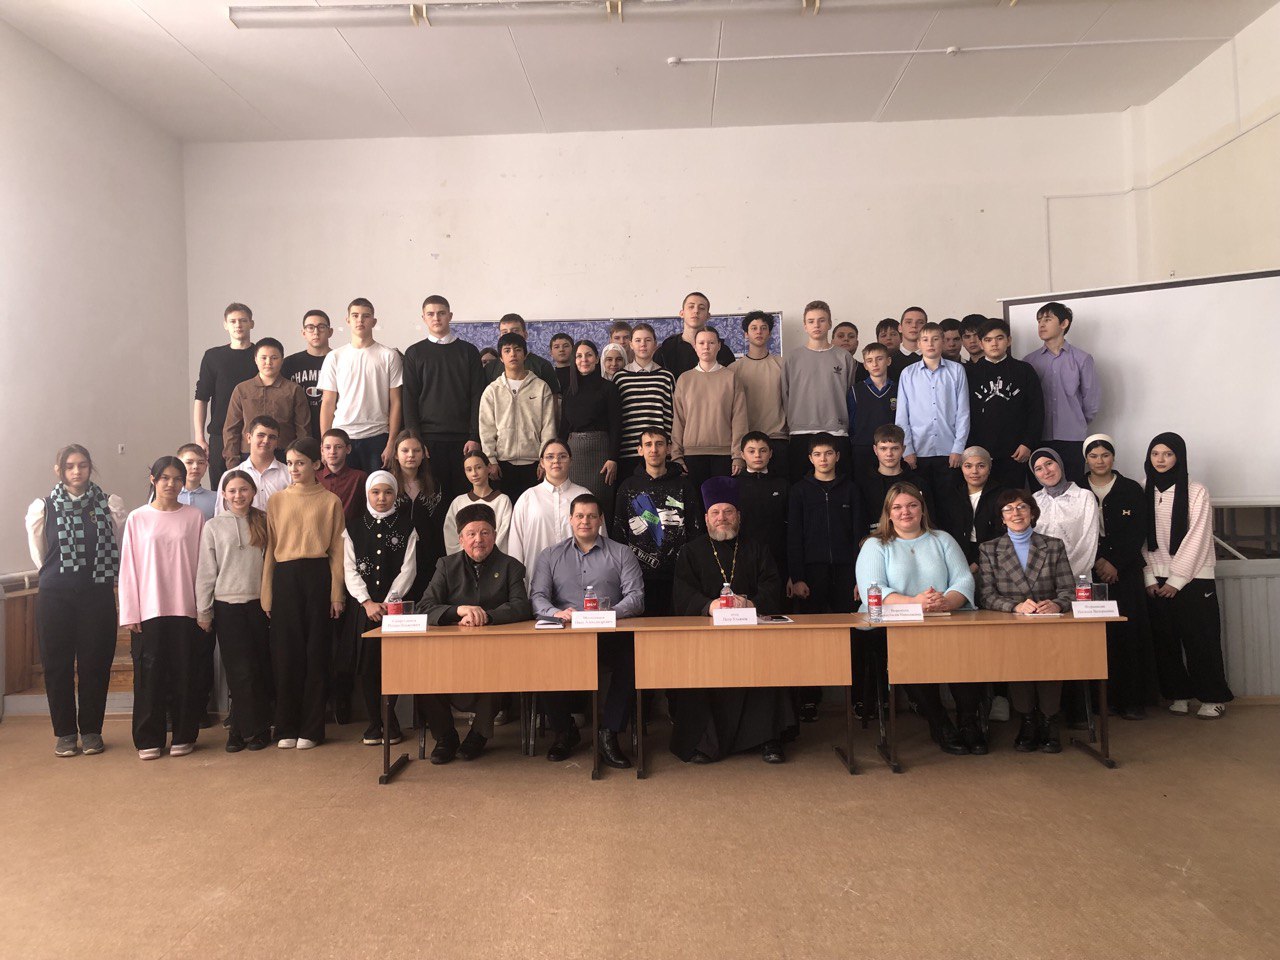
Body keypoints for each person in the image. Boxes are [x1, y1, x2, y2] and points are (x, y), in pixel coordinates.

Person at [670, 478, 794, 763]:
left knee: (770, 664)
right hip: (707, 639)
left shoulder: (757, 548)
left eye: (728, 511)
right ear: (706, 518)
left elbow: (772, 585)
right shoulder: (691, 551)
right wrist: (709, 605)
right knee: (698, 671)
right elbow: (682, 592)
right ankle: (705, 743)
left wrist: (750, 603)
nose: (722, 518)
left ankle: (768, 738)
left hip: (753, 635)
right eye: (715, 512)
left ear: (738, 515)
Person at [854, 482, 978, 755]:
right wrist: (915, 603)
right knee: (910, 654)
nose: (905, 512)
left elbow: (963, 580)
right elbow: (872, 589)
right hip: (896, 625)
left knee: (966, 654)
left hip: (944, 618)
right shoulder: (875, 545)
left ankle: (969, 722)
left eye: (912, 505)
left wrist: (946, 601)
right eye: (897, 507)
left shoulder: (942, 539)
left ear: (922, 509)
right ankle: (939, 723)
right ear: (888, 513)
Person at [24, 444, 126, 757]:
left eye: (82, 465)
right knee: (57, 664)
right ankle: (65, 733)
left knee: (96, 662)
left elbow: (118, 545)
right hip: (56, 594)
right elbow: (41, 555)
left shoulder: (110, 504)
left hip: (97, 593)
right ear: (59, 470)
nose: (77, 471)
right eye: (70, 466)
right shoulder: (43, 507)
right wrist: (63, 574)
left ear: (90, 467)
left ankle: (92, 731)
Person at [532, 493, 645, 767]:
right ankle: (564, 731)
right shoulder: (550, 555)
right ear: (570, 520)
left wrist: (608, 614)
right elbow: (538, 597)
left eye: (592, 516)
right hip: (566, 633)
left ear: (600, 520)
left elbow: (636, 597)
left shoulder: (622, 553)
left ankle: (609, 733)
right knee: (538, 662)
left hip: (609, 632)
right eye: (580, 516)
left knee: (633, 660)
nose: (585, 521)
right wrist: (556, 613)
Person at [415, 503, 533, 763]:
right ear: (461, 539)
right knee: (421, 672)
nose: (478, 539)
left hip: (494, 652)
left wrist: (487, 616)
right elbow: (424, 607)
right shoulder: (446, 565)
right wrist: (458, 610)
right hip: (450, 652)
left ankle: (478, 735)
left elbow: (522, 607)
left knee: (500, 670)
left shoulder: (511, 566)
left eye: (485, 532)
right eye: (471, 534)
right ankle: (445, 737)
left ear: (495, 534)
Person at [118, 456, 205, 760]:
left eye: (177, 478)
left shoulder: (194, 517)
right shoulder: (137, 518)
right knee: (149, 675)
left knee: (185, 673)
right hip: (149, 610)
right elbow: (128, 568)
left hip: (186, 608)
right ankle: (148, 738)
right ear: (153, 480)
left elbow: (202, 566)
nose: (171, 484)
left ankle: (184, 734)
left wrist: (203, 608)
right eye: (165, 478)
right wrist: (130, 611)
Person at [261, 438, 346, 749]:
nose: (294, 468)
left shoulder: (330, 501)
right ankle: (286, 726)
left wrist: (337, 593)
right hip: (285, 577)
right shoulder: (276, 501)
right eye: (290, 463)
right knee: (286, 654)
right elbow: (271, 549)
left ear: (316, 464)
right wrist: (266, 592)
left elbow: (337, 550)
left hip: (317, 575)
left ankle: (311, 729)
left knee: (316, 653)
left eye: (300, 462)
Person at [977, 488, 1077, 753]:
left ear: (1033, 512)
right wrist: (1016, 607)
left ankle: (1049, 720)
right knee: (1018, 667)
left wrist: (1056, 604)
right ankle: (1028, 720)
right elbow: (986, 596)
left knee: (1050, 667)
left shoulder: (1053, 546)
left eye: (1022, 507)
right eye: (1008, 509)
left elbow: (1069, 591)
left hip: (1048, 623)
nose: (1016, 513)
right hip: (1012, 624)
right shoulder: (989, 549)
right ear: (1002, 518)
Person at [1142, 432, 1233, 719]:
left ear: (1178, 457)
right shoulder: (1142, 489)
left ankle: (1213, 698)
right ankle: (1178, 694)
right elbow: (1139, 539)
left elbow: (1198, 537)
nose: (1161, 459)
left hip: (1194, 578)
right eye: (1155, 453)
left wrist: (1176, 580)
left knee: (1201, 641)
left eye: (1168, 454)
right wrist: (1149, 577)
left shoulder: (1196, 491)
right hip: (1155, 578)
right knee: (1165, 642)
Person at [195, 470, 272, 752]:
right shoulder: (213, 527)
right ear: (224, 495)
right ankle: (243, 729)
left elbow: (271, 566)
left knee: (258, 668)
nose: (238, 495)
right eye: (232, 491)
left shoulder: (265, 521)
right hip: (227, 606)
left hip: (259, 605)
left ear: (253, 492)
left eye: (244, 490)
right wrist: (204, 611)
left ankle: (253, 729)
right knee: (238, 671)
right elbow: (206, 572)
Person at [788, 433, 864, 723]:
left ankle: (859, 697)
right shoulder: (799, 491)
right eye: (818, 454)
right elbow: (794, 536)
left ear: (837, 456)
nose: (823, 459)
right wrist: (797, 577)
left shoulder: (851, 489)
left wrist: (860, 577)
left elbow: (860, 537)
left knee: (855, 635)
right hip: (812, 573)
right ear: (810, 458)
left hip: (847, 573)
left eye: (828, 453)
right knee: (811, 637)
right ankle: (809, 698)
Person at [341, 471, 418, 748]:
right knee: (368, 667)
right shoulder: (353, 528)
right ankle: (376, 722)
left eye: (387, 492)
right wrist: (366, 602)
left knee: (393, 665)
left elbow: (409, 569)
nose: (382, 498)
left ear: (395, 495)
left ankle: (389, 720)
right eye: (376, 492)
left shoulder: (407, 527)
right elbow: (349, 569)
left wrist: (390, 601)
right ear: (367, 494)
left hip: (394, 608)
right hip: (365, 609)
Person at [1083, 434, 1156, 720]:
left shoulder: (1130, 488)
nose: (1100, 461)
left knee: (1129, 635)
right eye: (1093, 456)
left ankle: (1131, 700)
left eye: (1105, 455)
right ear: (1086, 459)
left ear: (1113, 457)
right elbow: (1076, 532)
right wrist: (1099, 560)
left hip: (1125, 572)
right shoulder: (1077, 489)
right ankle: (1098, 702)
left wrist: (1115, 562)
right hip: (1090, 572)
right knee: (1096, 637)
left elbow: (1139, 529)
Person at [401, 297, 483, 506]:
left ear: (450, 316)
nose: (436, 318)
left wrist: (475, 435)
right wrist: (416, 440)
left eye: (441, 313)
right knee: (433, 500)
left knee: (464, 499)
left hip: (464, 440)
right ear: (423, 318)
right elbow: (409, 398)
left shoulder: (468, 351)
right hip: (428, 441)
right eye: (430, 314)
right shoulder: (414, 353)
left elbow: (477, 396)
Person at [613, 427, 703, 618]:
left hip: (679, 574)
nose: (654, 449)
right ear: (640, 450)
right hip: (638, 575)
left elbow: (695, 530)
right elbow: (619, 531)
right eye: (648, 445)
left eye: (659, 444)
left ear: (668, 448)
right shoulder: (628, 486)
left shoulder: (684, 485)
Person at [318, 297, 404, 474]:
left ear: (374, 321)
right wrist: (325, 444)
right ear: (348, 320)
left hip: (377, 436)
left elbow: (396, 402)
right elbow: (327, 403)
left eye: (366, 316)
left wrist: (391, 442)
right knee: (344, 490)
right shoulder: (335, 357)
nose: (360, 320)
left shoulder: (389, 355)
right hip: (342, 436)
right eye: (355, 315)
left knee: (377, 489)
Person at [1023, 302, 1100, 484]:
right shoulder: (1029, 361)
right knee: (1040, 490)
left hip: (1072, 437)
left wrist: (1075, 421)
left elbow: (1091, 402)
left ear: (1064, 324)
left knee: (1073, 487)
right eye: (1039, 321)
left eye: (1047, 319)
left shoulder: (1082, 359)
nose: (1041, 325)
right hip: (1038, 436)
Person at [895, 321, 970, 502]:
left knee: (950, 503)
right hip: (918, 451)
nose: (930, 344)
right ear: (919, 344)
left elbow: (963, 413)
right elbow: (902, 416)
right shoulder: (907, 374)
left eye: (935, 339)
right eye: (925, 339)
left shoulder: (957, 371)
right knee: (922, 503)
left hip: (949, 451)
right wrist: (907, 449)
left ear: (943, 342)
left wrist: (958, 448)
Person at [480, 332, 557, 506]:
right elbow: (486, 429)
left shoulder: (541, 387)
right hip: (502, 464)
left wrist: (545, 459)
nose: (513, 354)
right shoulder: (492, 390)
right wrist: (490, 460)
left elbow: (548, 427)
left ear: (525, 354)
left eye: (517, 349)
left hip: (535, 464)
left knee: (533, 512)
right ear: (501, 358)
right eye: (507, 350)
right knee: (505, 513)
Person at [507, 439, 597, 588]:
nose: (556, 461)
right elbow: (515, 546)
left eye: (562, 456)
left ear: (571, 460)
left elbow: (600, 542)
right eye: (550, 457)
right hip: (536, 582)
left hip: (580, 583)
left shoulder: (584, 496)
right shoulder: (528, 498)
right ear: (542, 462)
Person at [784, 300, 856, 482]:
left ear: (830, 323)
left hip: (836, 432)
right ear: (805, 326)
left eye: (821, 320)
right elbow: (785, 394)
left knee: (839, 488)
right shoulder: (792, 358)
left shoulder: (844, 357)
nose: (816, 325)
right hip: (800, 432)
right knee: (801, 488)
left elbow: (849, 393)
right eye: (811, 321)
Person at [967, 318, 1044, 490]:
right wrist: (971, 449)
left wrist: (1028, 443)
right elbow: (963, 414)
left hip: (1016, 451)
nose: (994, 344)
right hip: (980, 453)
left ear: (1009, 340)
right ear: (981, 343)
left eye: (999, 338)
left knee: (1013, 498)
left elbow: (1036, 410)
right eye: (988, 340)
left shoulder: (1024, 370)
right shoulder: (969, 373)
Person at [671, 326, 747, 492]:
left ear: (719, 346)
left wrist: (738, 455)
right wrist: (676, 455)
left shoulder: (731, 378)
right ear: (695, 346)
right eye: (701, 343)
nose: (706, 347)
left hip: (724, 455)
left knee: (722, 502)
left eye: (711, 343)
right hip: (691, 455)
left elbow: (739, 419)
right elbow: (678, 420)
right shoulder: (685, 379)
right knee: (696, 503)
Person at [193, 302, 257, 486]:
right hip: (220, 434)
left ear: (251, 323)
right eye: (233, 321)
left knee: (254, 487)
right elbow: (201, 397)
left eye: (243, 320)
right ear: (225, 325)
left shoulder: (262, 356)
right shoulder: (213, 356)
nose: (238, 325)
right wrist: (199, 437)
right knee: (221, 487)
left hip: (253, 433)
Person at [223, 337, 311, 469]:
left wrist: (300, 459)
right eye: (263, 358)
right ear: (255, 360)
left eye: (274, 358)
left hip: (284, 454)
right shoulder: (242, 389)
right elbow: (231, 429)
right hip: (248, 455)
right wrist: (232, 463)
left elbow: (303, 429)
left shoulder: (294, 390)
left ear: (282, 360)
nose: (268, 362)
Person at [559, 339, 622, 518]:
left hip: (601, 455)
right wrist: (559, 456)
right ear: (574, 360)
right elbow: (563, 428)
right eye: (579, 356)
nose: (584, 360)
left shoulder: (609, 388)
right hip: (575, 456)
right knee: (576, 506)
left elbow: (616, 425)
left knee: (600, 506)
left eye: (588, 355)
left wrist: (613, 458)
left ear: (596, 359)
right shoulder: (569, 391)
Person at [613, 323, 676, 489]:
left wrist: (671, 449)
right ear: (631, 345)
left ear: (655, 344)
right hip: (628, 452)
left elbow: (672, 415)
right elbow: (616, 418)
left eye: (648, 340)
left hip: (659, 452)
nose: (643, 344)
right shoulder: (620, 378)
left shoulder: (666, 376)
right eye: (638, 340)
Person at [388, 430, 447, 602]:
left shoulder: (434, 484)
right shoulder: (386, 484)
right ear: (396, 454)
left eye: (416, 450)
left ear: (424, 453)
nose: (411, 455)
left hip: (427, 555)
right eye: (405, 450)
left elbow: (438, 525)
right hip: (395, 555)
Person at [1029, 448, 1100, 581]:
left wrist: (1063, 575)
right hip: (1041, 579)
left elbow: (1088, 543)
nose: (1046, 471)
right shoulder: (1034, 500)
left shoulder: (1084, 497)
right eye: (1038, 469)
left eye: (1049, 463)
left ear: (1059, 464)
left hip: (1077, 578)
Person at [937, 446, 1010, 572]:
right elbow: (946, 530)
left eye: (981, 466)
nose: (974, 471)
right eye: (968, 466)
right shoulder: (952, 495)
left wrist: (977, 562)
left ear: (989, 468)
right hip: (958, 554)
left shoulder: (1002, 495)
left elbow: (1002, 533)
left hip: (993, 555)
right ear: (962, 468)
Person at [736, 431, 790, 597]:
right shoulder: (733, 485)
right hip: (742, 557)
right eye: (751, 451)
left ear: (771, 453)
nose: (757, 455)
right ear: (742, 455)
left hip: (777, 556)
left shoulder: (782, 484)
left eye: (763, 450)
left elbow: (790, 525)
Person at [734, 310, 788, 467]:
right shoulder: (734, 369)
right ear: (746, 334)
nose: (759, 332)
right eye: (754, 328)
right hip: (747, 441)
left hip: (778, 438)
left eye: (764, 328)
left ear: (769, 333)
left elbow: (791, 401)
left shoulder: (783, 365)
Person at [855, 423, 930, 533]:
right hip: (875, 538)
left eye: (895, 448)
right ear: (875, 450)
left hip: (911, 538)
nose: (889, 454)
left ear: (903, 449)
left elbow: (928, 520)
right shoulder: (862, 485)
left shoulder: (918, 483)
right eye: (883, 449)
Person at [214, 416, 289, 515]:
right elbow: (221, 516)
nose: (266, 440)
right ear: (249, 438)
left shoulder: (289, 475)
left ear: (277, 442)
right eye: (261, 435)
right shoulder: (230, 476)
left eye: (272, 437)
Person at [443, 450, 513, 555]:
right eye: (469, 470)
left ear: (489, 467)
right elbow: (451, 537)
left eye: (478, 467)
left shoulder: (502, 500)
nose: (474, 473)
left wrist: (486, 556)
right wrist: (468, 558)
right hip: (464, 562)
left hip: (495, 560)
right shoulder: (458, 502)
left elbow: (503, 536)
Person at [655, 291, 734, 376]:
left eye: (701, 308)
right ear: (682, 313)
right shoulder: (666, 350)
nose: (696, 311)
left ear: (708, 316)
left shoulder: (722, 351)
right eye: (691, 307)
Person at [848, 342, 897, 478]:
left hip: (890, 448)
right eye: (869, 360)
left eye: (879, 359)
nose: (875, 364)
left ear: (888, 361)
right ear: (865, 365)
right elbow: (851, 422)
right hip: (862, 447)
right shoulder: (855, 390)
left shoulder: (898, 389)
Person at [483, 313, 560, 394]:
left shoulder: (543, 366)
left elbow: (552, 398)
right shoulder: (490, 368)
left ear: (525, 334)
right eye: (505, 332)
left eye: (515, 331)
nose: (510, 335)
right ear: (500, 337)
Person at [281, 309, 333, 426]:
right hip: (299, 428)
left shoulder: (341, 361)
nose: (316, 332)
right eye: (310, 327)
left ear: (330, 332)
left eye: (321, 327)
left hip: (334, 428)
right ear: (303, 333)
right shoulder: (289, 363)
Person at [316, 428, 367, 525]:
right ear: (322, 450)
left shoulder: (359, 478)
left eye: (338, 447)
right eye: (327, 447)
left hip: (350, 530)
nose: (332, 451)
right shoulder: (314, 478)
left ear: (348, 449)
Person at [176, 443, 217, 521]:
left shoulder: (215, 498)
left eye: (201, 463)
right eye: (189, 462)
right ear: (179, 465)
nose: (195, 467)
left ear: (206, 466)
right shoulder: (169, 496)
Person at [888, 306, 925, 380]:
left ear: (926, 328)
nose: (914, 326)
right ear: (900, 328)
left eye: (920, 322)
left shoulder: (936, 359)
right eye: (908, 322)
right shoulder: (888, 362)